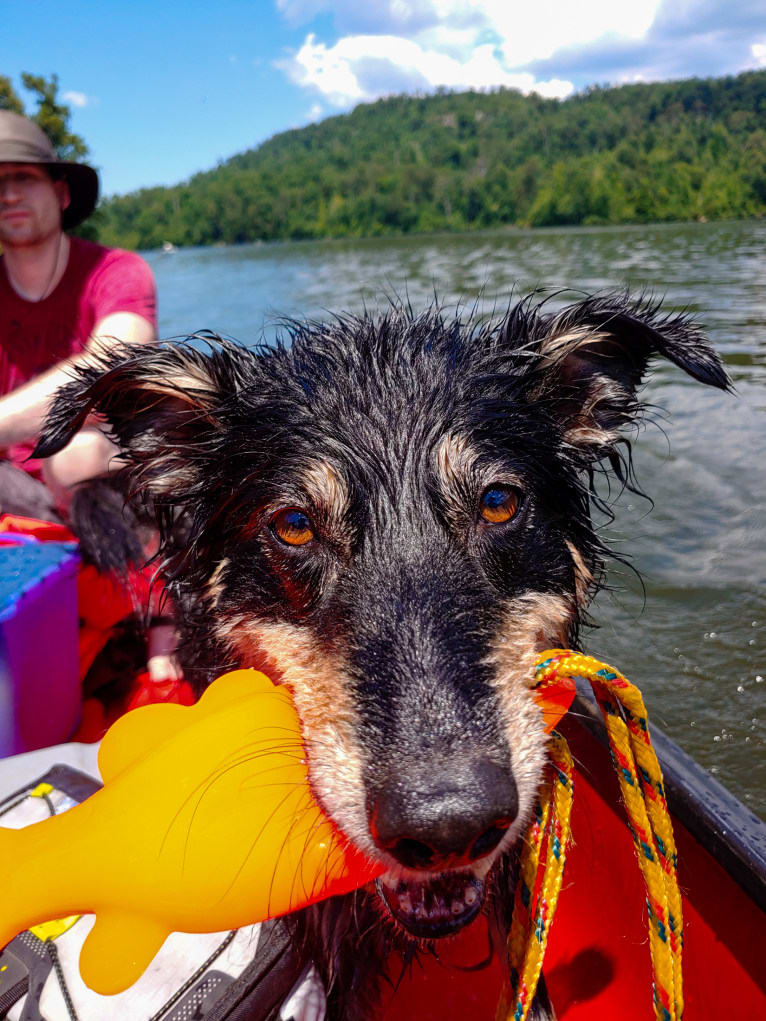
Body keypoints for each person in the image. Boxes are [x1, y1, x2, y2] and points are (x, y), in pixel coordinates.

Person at [0, 109, 178, 681]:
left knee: (74, 451)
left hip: (105, 480)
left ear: (60, 190)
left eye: (21, 178)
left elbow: (114, 366)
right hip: (14, 491)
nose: (7, 196)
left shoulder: (115, 271)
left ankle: (159, 623)